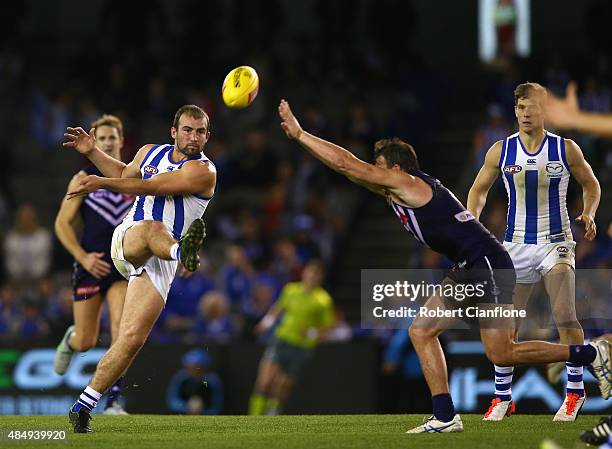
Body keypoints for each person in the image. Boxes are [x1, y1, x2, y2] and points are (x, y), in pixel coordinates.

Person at [277, 99, 611, 433]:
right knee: (421, 330)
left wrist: (301, 134)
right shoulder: (398, 189)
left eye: (378, 166)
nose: (373, 171)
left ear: (395, 169)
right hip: (472, 264)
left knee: (502, 353)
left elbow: (349, 165)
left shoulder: (408, 184)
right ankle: (445, 415)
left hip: (487, 264)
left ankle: (590, 355)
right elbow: (352, 172)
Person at [62, 104, 216, 433]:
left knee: (131, 338)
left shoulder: (204, 172)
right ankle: (182, 251)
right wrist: (93, 154)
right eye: (187, 130)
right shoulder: (149, 152)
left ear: (207, 136)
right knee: (152, 229)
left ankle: (84, 405)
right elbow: (126, 176)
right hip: (129, 240)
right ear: (174, 132)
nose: (193, 137)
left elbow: (153, 187)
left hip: (160, 262)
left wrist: (100, 182)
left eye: (200, 131)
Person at [467, 82, 601, 422]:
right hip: (514, 245)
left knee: (564, 313)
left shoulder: (564, 149)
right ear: (515, 111)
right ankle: (502, 398)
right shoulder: (500, 151)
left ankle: (573, 393)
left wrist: (589, 212)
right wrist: (472, 224)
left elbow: (591, 184)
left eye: (534, 108)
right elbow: (478, 191)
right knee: (507, 327)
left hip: (556, 241)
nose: (527, 114)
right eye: (522, 108)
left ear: (544, 110)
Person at [54, 114, 133, 415]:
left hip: (122, 267)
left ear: (122, 141)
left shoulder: (132, 177)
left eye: (113, 137)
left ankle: (114, 402)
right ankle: (71, 340)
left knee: (122, 332)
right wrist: (82, 256)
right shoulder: (83, 178)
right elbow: (62, 223)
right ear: (94, 142)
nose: (108, 142)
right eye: (102, 138)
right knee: (87, 341)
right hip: (91, 265)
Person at [249, 260, 334, 416]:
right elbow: (278, 309)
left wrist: (311, 333)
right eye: (311, 272)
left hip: (301, 348)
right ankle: (253, 419)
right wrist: (265, 323)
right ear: (304, 273)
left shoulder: (323, 301)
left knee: (283, 387)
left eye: (317, 274)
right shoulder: (291, 290)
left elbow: (327, 328)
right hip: (281, 340)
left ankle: (270, 418)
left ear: (321, 278)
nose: (313, 276)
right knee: (265, 381)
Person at [166, 349, 223, 415]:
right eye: (190, 367)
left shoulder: (212, 381)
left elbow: (216, 405)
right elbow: (172, 401)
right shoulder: (180, 378)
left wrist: (202, 410)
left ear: (203, 367)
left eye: (197, 367)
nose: (193, 370)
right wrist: (187, 407)